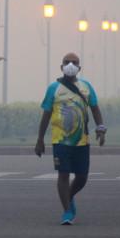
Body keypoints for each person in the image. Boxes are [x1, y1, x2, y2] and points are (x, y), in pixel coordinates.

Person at [34, 53, 107, 225]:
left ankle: (69, 196)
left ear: (79, 68)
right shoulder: (54, 88)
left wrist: (101, 129)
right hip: (60, 140)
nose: (70, 65)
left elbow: (95, 109)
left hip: (82, 141)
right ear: (61, 67)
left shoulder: (86, 87)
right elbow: (46, 115)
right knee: (63, 174)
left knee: (82, 177)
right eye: (67, 62)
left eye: (74, 62)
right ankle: (67, 211)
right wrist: (39, 139)